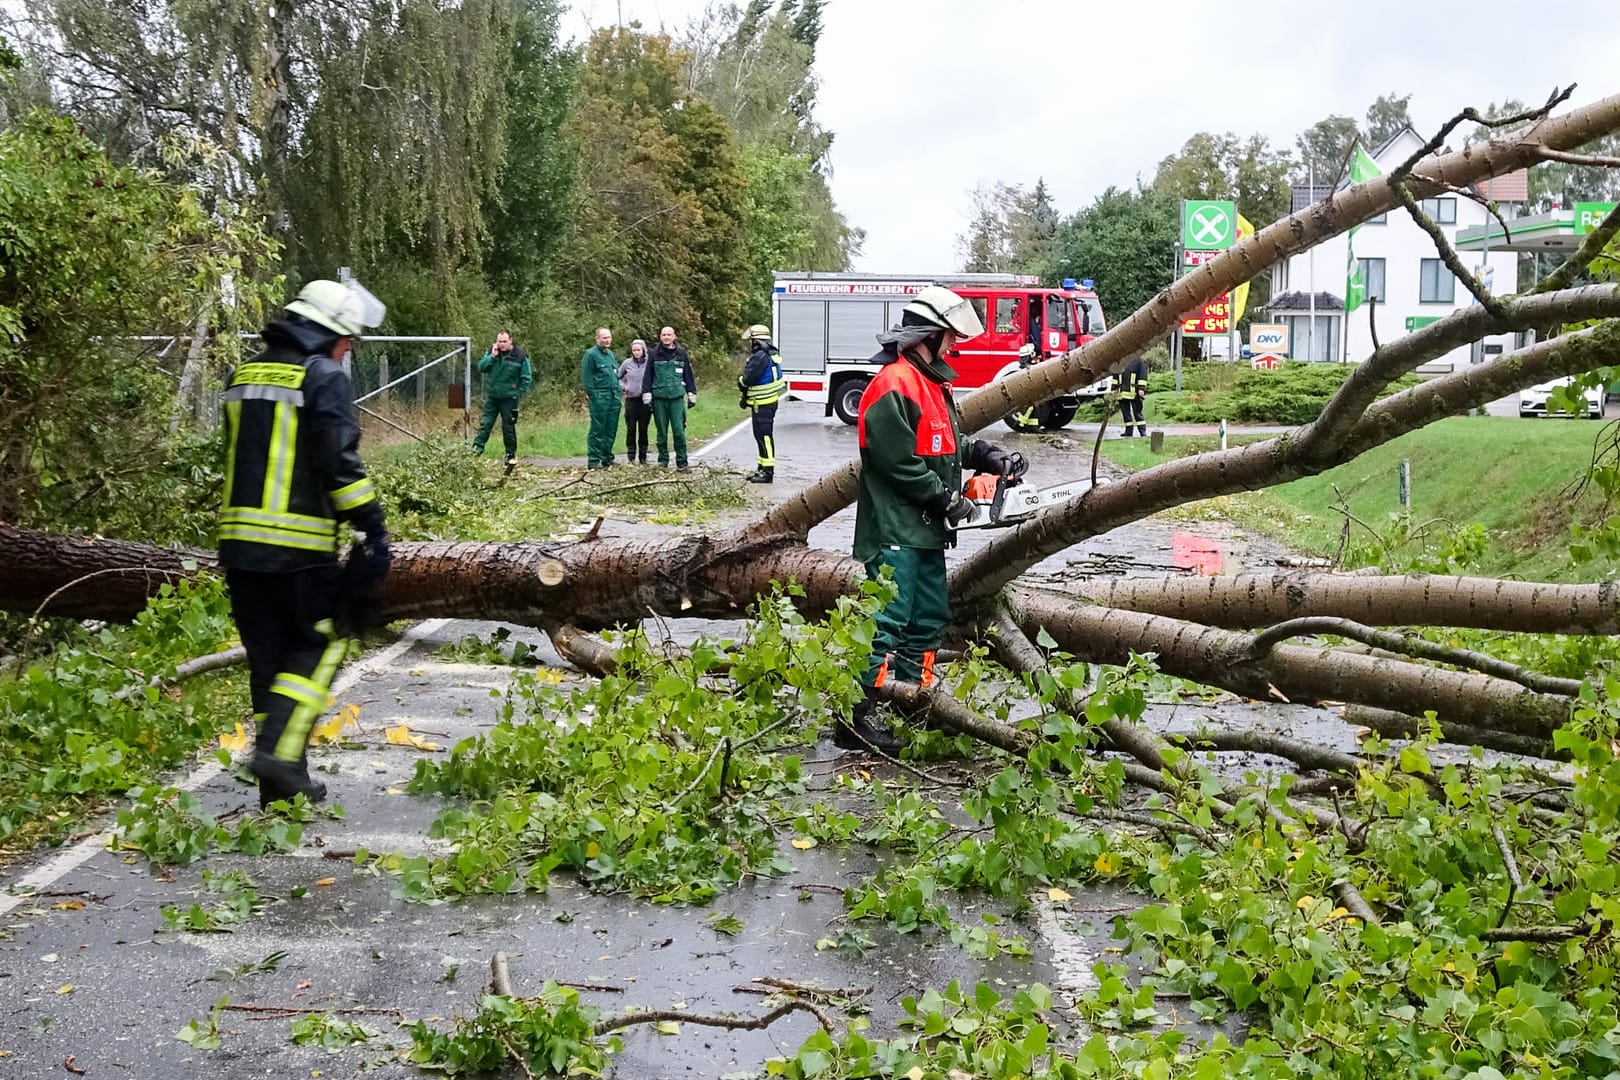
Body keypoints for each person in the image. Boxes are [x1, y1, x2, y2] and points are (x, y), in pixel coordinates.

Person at [218, 279, 392, 808]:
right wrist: (371, 524)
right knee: (319, 646)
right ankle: (275, 752)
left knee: (269, 661)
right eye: (347, 339)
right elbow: (338, 463)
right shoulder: (321, 377)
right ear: (326, 332)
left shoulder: (242, 374)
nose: (348, 349)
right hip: (298, 548)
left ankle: (281, 785)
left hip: (239, 549)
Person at [843, 285, 1017, 752]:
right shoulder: (893, 383)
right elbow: (896, 462)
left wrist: (985, 454)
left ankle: (911, 703)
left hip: (925, 531)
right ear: (926, 336)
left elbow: (945, 444)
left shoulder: (932, 383)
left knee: (926, 619)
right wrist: (947, 499)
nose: (954, 346)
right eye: (949, 337)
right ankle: (857, 716)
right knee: (886, 619)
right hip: (896, 525)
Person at [640, 325, 697, 471]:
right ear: (660, 337)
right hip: (659, 398)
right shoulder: (653, 354)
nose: (666, 337)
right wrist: (646, 393)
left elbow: (688, 374)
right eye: (663, 334)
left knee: (679, 431)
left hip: (677, 397)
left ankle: (682, 463)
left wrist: (691, 393)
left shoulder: (681, 353)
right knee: (662, 433)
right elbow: (648, 375)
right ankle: (663, 463)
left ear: (674, 336)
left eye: (669, 334)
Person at [473, 330, 532, 464]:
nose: (502, 344)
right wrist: (492, 356)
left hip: (509, 398)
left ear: (510, 340)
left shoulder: (520, 356)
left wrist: (517, 394)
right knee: (486, 423)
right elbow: (481, 367)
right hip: (493, 396)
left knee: (508, 426)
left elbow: (526, 378)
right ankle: (476, 449)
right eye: (499, 341)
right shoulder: (492, 352)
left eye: (504, 341)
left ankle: (510, 454)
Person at [737, 324, 785, 483]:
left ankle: (768, 472)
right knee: (761, 436)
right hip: (765, 402)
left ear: (756, 341)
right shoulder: (769, 354)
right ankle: (762, 468)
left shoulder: (760, 356)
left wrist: (741, 381)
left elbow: (749, 378)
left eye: (751, 341)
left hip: (763, 403)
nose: (750, 344)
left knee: (764, 437)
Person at [580, 327, 620, 469]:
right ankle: (594, 460)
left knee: (611, 429)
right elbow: (587, 377)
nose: (607, 340)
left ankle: (607, 458)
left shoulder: (610, 355)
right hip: (599, 396)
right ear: (597, 339)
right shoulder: (590, 355)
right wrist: (592, 394)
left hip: (614, 396)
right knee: (598, 429)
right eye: (604, 338)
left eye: (609, 337)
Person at [619, 339, 652, 464]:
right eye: (634, 350)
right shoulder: (627, 363)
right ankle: (631, 456)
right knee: (631, 428)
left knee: (643, 429)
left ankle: (643, 456)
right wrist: (624, 387)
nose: (636, 352)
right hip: (631, 400)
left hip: (645, 400)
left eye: (638, 350)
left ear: (643, 350)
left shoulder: (649, 363)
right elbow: (617, 377)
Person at [1117, 354, 1148, 437]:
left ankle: (1142, 431)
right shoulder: (1120, 361)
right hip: (1122, 393)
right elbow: (1115, 376)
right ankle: (1128, 431)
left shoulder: (1138, 361)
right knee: (1126, 414)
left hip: (1134, 393)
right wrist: (1113, 388)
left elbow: (1143, 375)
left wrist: (1141, 388)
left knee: (1137, 413)